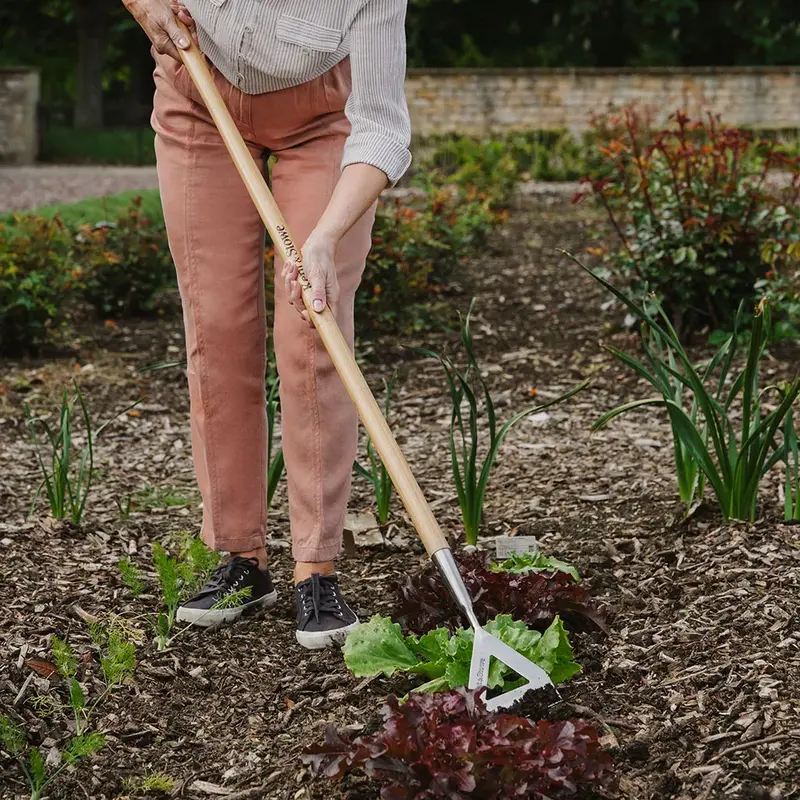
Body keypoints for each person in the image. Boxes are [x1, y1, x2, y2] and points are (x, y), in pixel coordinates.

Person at [122, 0, 412, 649]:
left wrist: (324, 236)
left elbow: (382, 128)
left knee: (313, 330)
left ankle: (316, 567)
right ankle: (240, 559)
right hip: (198, 91)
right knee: (218, 327)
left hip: (322, 122)